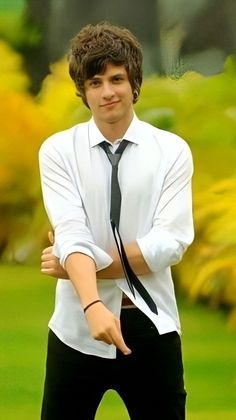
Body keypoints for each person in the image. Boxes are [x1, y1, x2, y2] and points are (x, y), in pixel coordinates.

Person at [39, 21, 194, 420]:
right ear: (83, 91)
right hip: (76, 328)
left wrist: (78, 269)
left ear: (134, 81)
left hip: (152, 325)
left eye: (116, 78)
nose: (107, 92)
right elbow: (70, 231)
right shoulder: (58, 152)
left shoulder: (172, 152)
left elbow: (169, 243)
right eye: (95, 82)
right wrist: (90, 302)